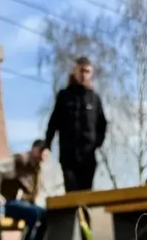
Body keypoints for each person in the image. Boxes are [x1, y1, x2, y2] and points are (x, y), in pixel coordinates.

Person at [44, 57, 107, 192]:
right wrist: (47, 144)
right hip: (68, 156)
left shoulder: (94, 99)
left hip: (88, 156)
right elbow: (53, 122)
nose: (84, 75)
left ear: (91, 74)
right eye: (81, 71)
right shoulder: (64, 96)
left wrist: (97, 143)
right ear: (75, 72)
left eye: (87, 71)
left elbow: (102, 124)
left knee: (86, 193)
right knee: (72, 193)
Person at [0, 139, 48, 240]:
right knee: (34, 213)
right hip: (9, 204)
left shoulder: (37, 168)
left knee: (46, 214)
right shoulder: (18, 162)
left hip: (26, 205)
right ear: (35, 149)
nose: (43, 157)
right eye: (41, 152)